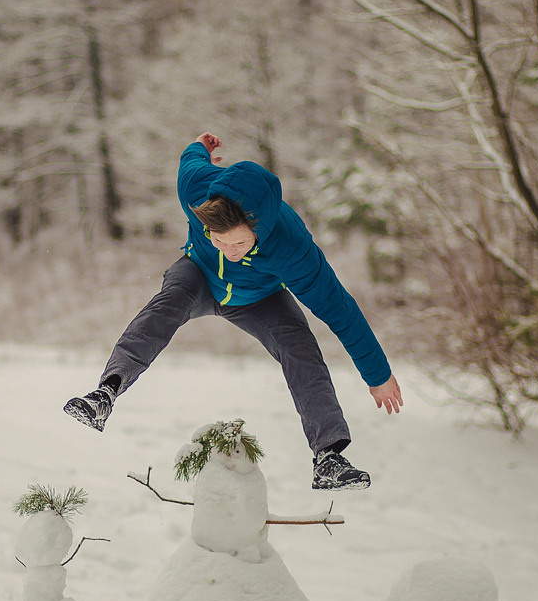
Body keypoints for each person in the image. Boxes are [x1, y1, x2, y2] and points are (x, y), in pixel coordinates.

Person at [64, 132, 402, 491]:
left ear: (261, 228)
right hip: (198, 276)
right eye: (217, 238)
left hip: (261, 297)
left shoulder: (293, 249)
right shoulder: (196, 189)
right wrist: (201, 147)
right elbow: (190, 160)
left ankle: (328, 458)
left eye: (238, 242)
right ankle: (105, 394)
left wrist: (377, 373)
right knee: (167, 304)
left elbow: (340, 310)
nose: (227, 250)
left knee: (300, 345)